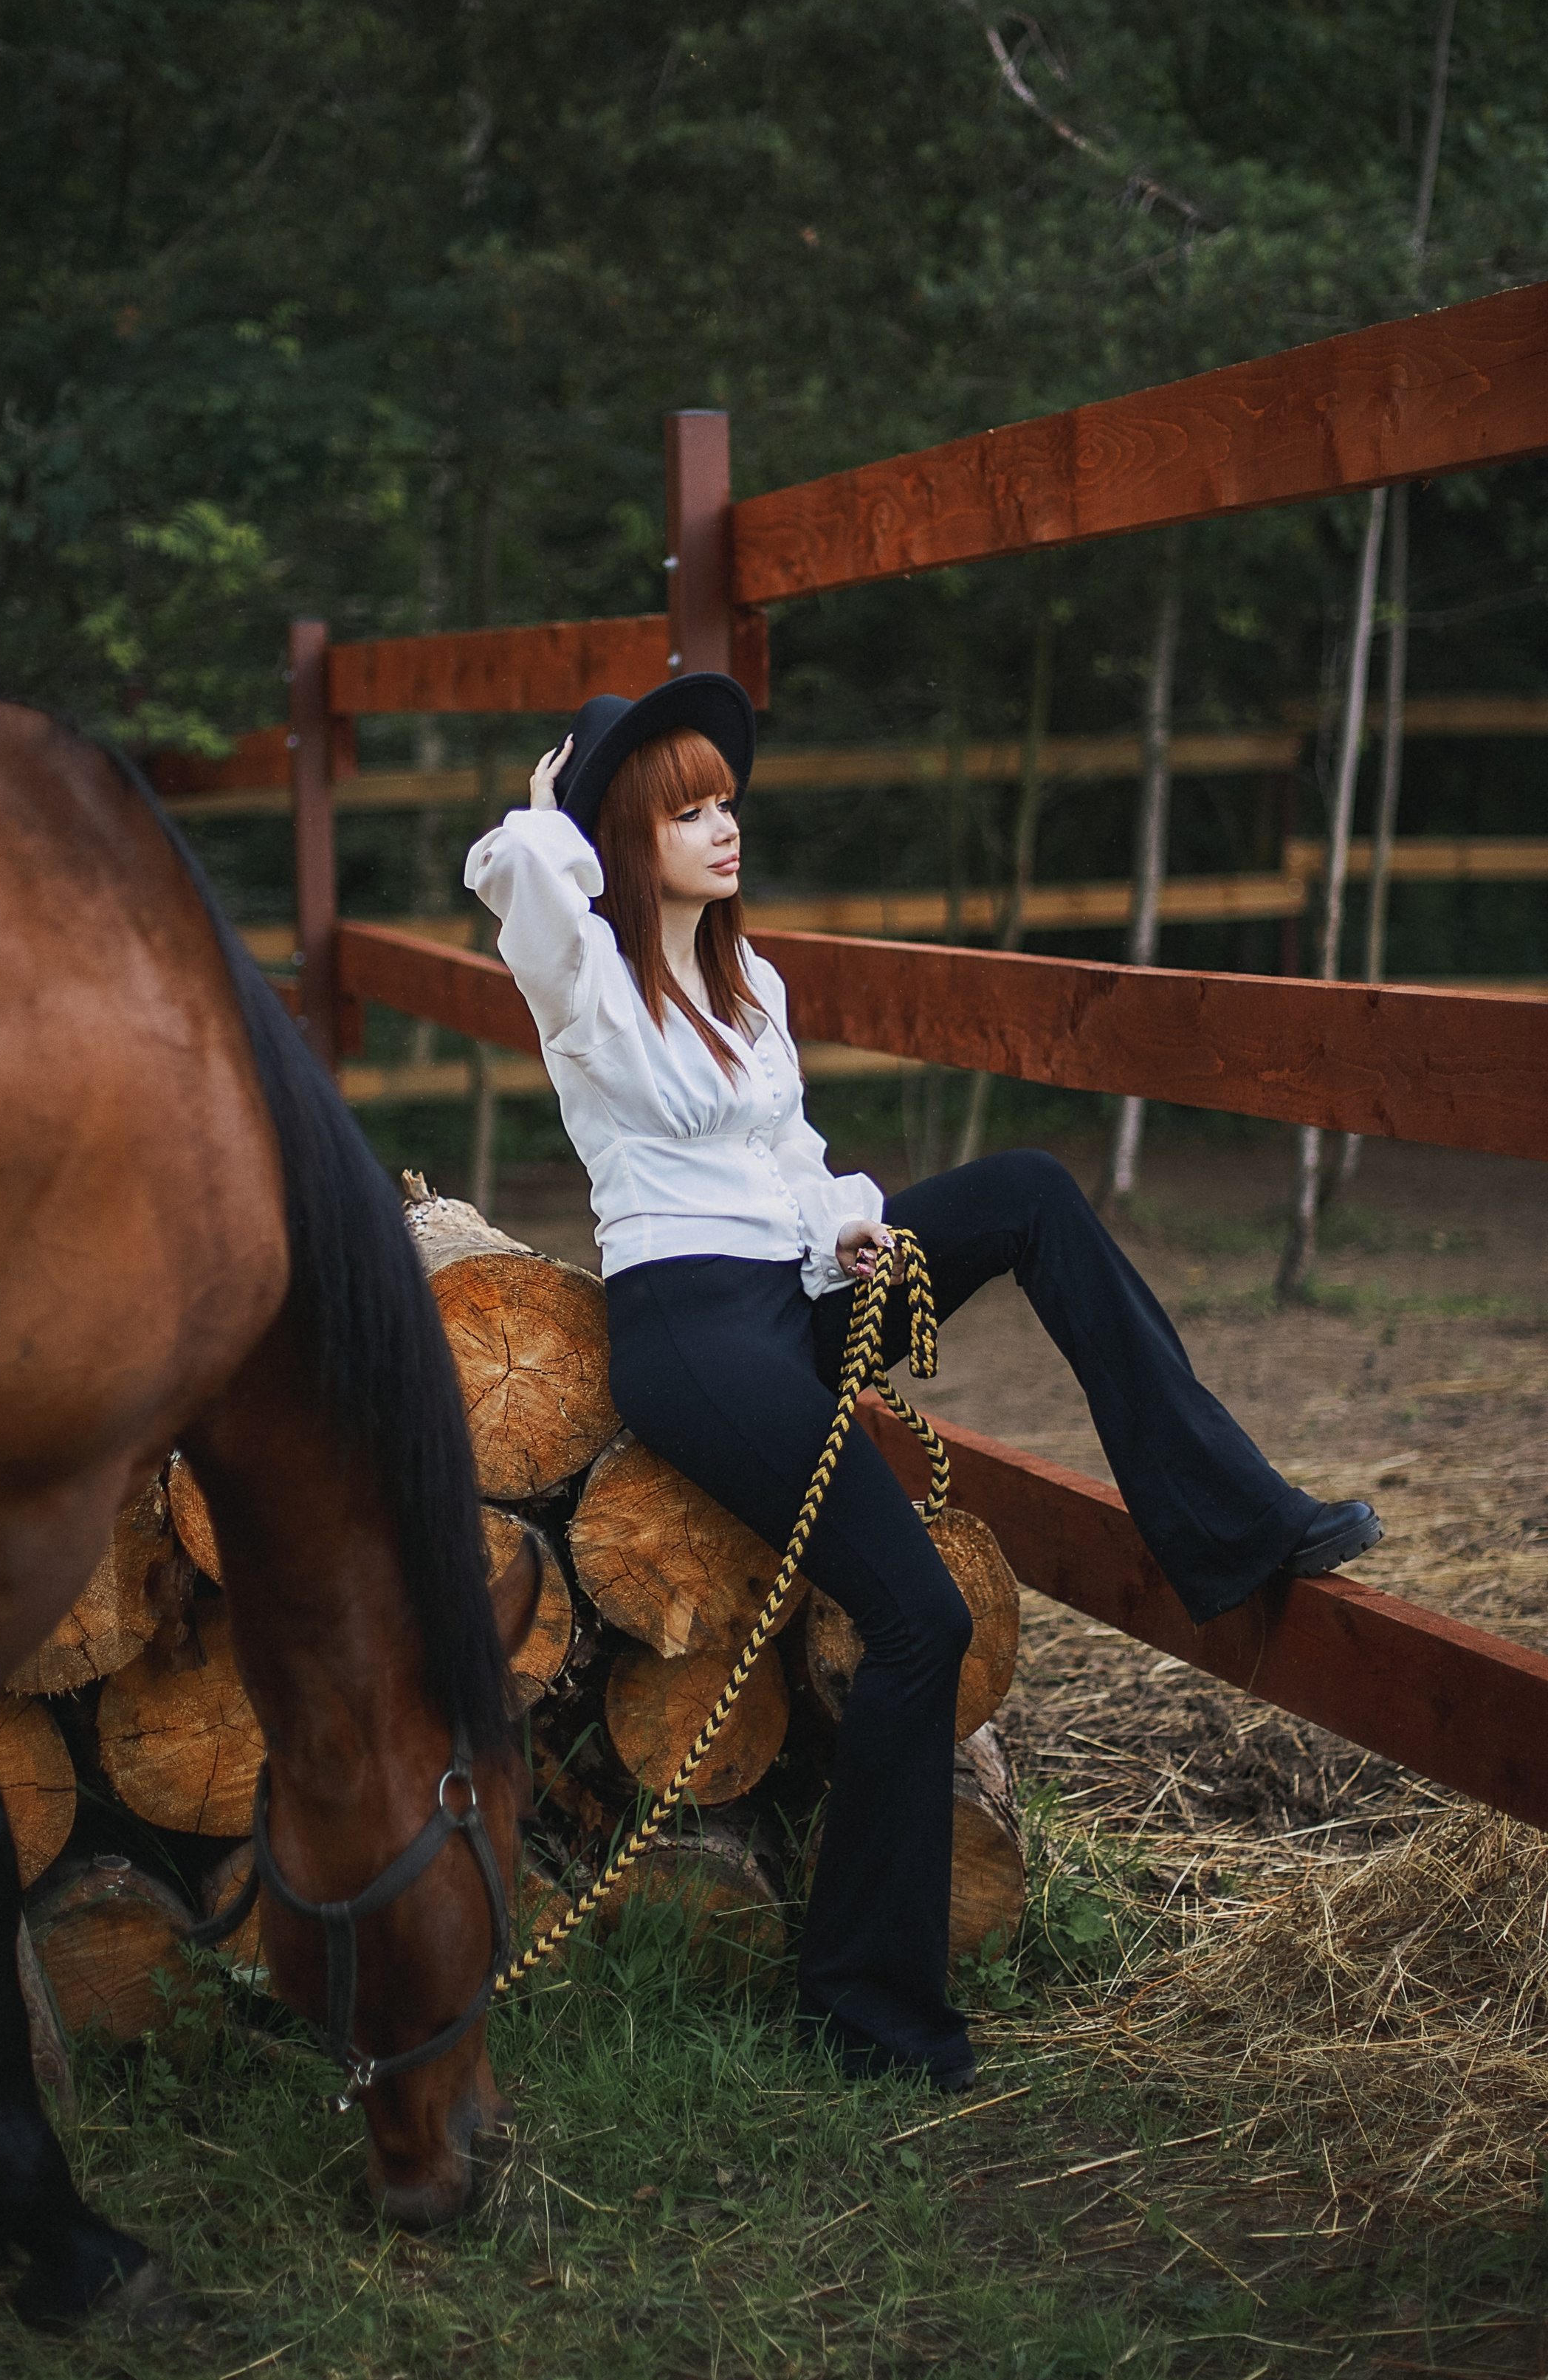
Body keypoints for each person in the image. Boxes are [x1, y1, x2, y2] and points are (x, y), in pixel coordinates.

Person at [464, 673, 1382, 2092]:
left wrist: (854, 1227)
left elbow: (789, 1160)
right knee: (918, 1619)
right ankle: (862, 2003)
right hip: (696, 1333)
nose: (725, 826)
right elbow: (518, 878)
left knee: (1029, 1193)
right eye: (687, 810)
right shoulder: (583, 981)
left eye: (726, 802)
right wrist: (557, 807)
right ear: (623, 836)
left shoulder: (750, 987)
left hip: (800, 1289)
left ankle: (1233, 1523)